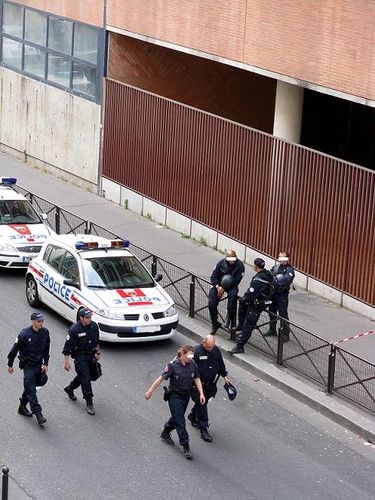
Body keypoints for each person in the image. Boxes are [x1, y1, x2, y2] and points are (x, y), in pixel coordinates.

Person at [145, 345, 205, 460]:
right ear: (182, 354)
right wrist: (150, 391)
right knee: (180, 421)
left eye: (192, 356)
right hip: (174, 396)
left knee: (177, 417)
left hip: (186, 395)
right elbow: (161, 378)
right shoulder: (173, 366)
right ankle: (185, 445)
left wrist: (201, 393)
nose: (190, 358)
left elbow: (196, 378)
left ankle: (166, 431)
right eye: (188, 355)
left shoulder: (192, 364)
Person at [7, 312, 50, 426]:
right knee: (32, 390)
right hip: (28, 366)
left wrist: (46, 363)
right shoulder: (24, 335)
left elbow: (46, 348)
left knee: (32, 387)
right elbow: (14, 350)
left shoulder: (45, 332)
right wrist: (10, 364)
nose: (41, 323)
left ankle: (22, 407)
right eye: (38, 321)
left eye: (42, 321)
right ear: (32, 321)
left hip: (38, 365)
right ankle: (38, 414)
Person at [188, 335, 230, 442]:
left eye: (212, 347)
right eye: (208, 347)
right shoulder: (196, 351)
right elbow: (188, 367)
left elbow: (220, 364)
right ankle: (203, 428)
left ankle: (193, 415)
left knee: (203, 402)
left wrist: (225, 376)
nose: (210, 349)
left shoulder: (215, 350)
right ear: (203, 343)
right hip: (198, 384)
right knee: (202, 404)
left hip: (210, 383)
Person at [62, 308, 101, 415]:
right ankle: (89, 402)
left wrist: (98, 353)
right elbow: (67, 347)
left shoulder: (94, 326)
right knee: (86, 379)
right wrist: (66, 362)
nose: (89, 319)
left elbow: (97, 341)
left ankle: (70, 388)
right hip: (80, 357)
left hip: (91, 355)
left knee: (91, 375)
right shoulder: (74, 330)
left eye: (90, 317)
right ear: (81, 318)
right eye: (87, 318)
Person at [230, 257, 273, 354]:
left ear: (255, 266)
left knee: (248, 325)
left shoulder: (258, 279)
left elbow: (251, 294)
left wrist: (245, 299)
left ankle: (240, 346)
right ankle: (240, 326)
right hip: (263, 301)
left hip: (257, 304)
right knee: (242, 305)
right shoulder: (267, 274)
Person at [208, 250, 245, 334]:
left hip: (232, 285)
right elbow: (213, 277)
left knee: (233, 296)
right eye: (230, 259)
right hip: (219, 285)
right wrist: (218, 287)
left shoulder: (240, 266)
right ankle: (215, 324)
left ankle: (229, 317)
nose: (232, 261)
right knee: (211, 304)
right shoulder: (221, 263)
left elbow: (237, 280)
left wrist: (223, 288)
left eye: (233, 259)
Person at [264, 251, 295, 342]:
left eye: (283, 257)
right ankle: (272, 329)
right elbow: (269, 276)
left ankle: (285, 334)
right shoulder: (275, 267)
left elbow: (286, 281)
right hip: (273, 293)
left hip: (282, 295)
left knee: (283, 314)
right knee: (272, 311)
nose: (280, 259)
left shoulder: (289, 270)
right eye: (279, 257)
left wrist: (275, 282)